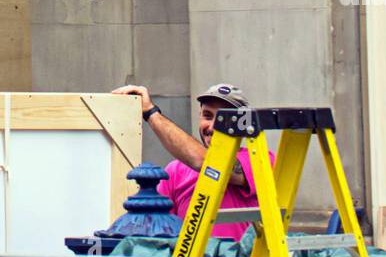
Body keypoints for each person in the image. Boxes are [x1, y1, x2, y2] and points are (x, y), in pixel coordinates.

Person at [112, 82, 271, 240]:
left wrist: (151, 113)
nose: (213, 126)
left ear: (243, 125)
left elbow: (210, 164)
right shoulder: (175, 171)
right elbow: (160, 229)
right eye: (207, 116)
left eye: (225, 118)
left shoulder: (261, 160)